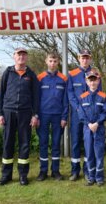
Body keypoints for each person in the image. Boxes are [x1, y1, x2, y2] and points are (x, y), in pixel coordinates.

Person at [0, 47, 39, 186]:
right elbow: (1, 94)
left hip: (25, 113)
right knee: (8, 143)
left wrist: (35, 115)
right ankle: (6, 175)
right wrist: (0, 114)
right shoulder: (7, 73)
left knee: (24, 144)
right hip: (8, 112)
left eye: (24, 55)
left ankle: (22, 175)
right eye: (19, 55)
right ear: (14, 56)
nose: (21, 57)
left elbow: (36, 97)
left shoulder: (31, 75)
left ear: (27, 58)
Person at [67, 49, 101, 181]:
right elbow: (70, 93)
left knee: (89, 142)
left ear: (90, 59)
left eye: (87, 58)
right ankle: (75, 170)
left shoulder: (96, 73)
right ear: (78, 58)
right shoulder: (72, 74)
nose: (85, 60)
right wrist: (77, 108)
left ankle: (88, 169)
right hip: (77, 113)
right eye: (83, 57)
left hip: (91, 115)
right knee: (75, 142)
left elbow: (99, 93)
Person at [36, 52, 68, 181]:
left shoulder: (64, 79)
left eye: (55, 61)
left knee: (56, 144)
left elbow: (66, 100)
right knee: (43, 143)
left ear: (58, 62)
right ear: (46, 61)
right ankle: (43, 171)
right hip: (43, 116)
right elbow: (36, 99)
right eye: (50, 61)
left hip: (58, 116)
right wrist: (36, 115)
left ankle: (55, 171)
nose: (52, 63)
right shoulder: (40, 78)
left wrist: (64, 117)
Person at [78, 69, 106, 186]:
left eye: (94, 80)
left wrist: (97, 123)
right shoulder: (82, 97)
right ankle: (91, 177)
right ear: (86, 81)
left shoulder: (103, 96)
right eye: (90, 80)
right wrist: (89, 124)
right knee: (89, 153)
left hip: (99, 128)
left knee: (99, 154)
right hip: (87, 129)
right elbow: (81, 113)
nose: (92, 83)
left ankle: (99, 178)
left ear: (98, 80)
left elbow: (105, 112)